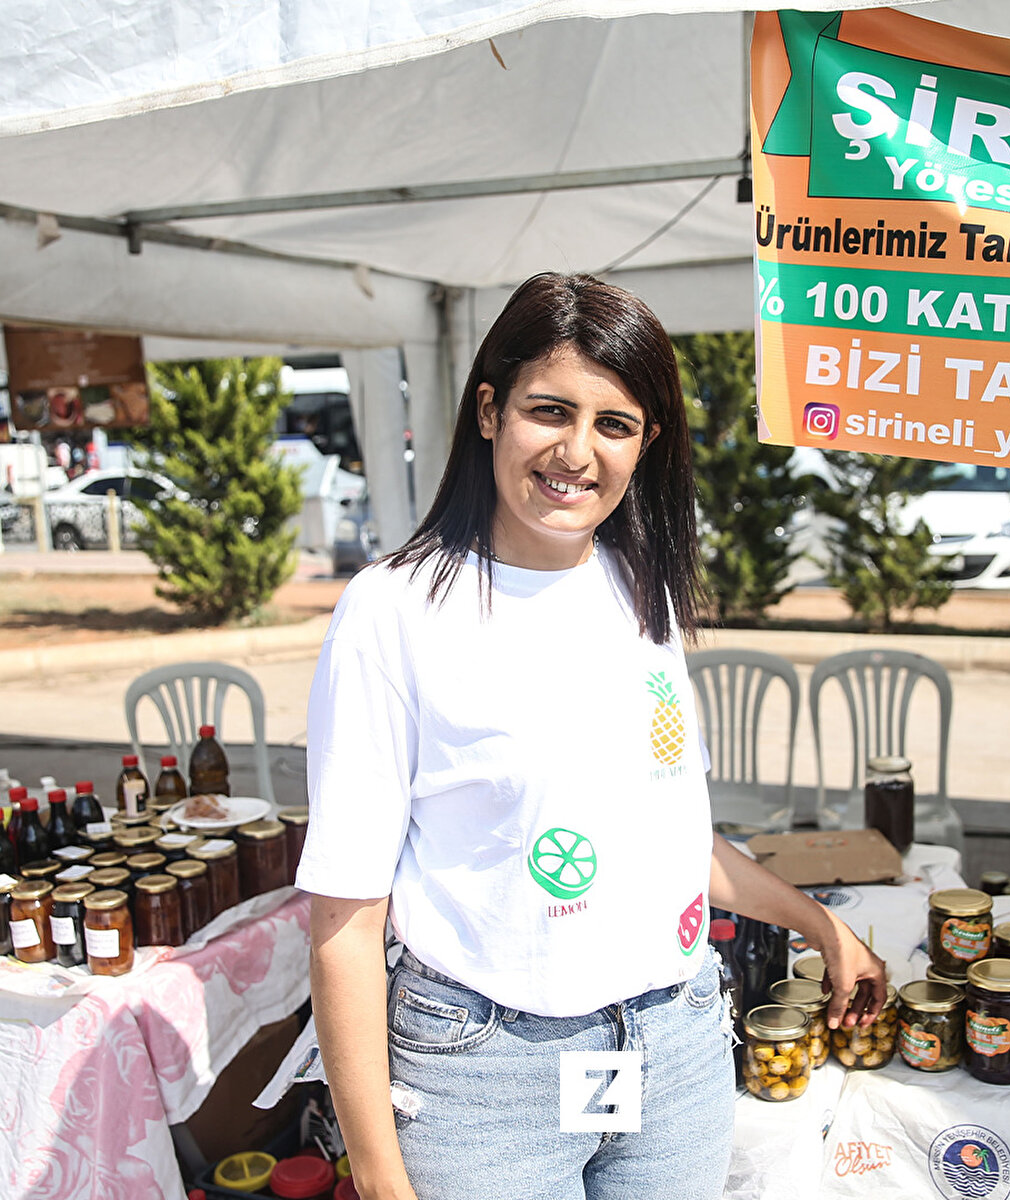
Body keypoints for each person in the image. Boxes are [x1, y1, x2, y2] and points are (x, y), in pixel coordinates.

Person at [298, 272, 886, 1200]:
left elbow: (669, 841)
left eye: (615, 424)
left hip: (677, 1042)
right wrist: (377, 1173)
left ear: (647, 442)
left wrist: (819, 925)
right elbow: (344, 915)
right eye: (549, 410)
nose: (577, 452)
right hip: (481, 1073)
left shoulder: (639, 587)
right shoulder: (393, 610)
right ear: (489, 410)